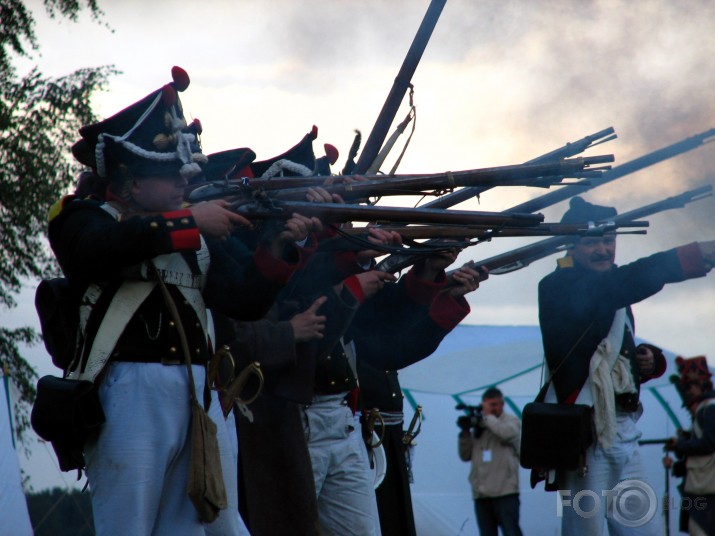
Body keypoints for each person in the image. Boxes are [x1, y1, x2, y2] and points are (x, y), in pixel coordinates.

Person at [49, 66, 319, 536]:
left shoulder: (189, 231)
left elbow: (242, 299)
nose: (184, 182)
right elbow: (101, 249)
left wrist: (280, 247)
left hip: (198, 394)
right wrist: (188, 221)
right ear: (132, 181)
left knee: (198, 527)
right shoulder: (83, 220)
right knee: (127, 527)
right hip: (129, 393)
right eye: (171, 173)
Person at [537, 196, 715, 535]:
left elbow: (610, 351)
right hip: (586, 435)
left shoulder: (611, 285)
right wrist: (692, 255)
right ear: (572, 246)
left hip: (624, 428)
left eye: (609, 240)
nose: (604, 249)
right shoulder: (558, 286)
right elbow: (616, 288)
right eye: (593, 242)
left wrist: (646, 361)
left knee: (642, 530)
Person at [353, 250, 485, 536]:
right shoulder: (335, 280)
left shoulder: (368, 284)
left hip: (383, 427)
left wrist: (442, 289)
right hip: (354, 424)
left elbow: (398, 343)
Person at [457, 387, 523, 536]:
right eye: (487, 406)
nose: (491, 409)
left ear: (502, 404)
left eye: (494, 405)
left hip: (505, 492)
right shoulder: (480, 425)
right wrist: (465, 433)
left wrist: (487, 417)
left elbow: (506, 434)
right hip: (482, 494)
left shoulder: (511, 421)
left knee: (511, 532)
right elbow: (465, 455)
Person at [665, 356, 715, 536]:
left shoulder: (709, 409)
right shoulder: (706, 408)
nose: (688, 391)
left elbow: (709, 444)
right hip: (699, 486)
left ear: (702, 383)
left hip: (705, 487)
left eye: (690, 386)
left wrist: (681, 444)